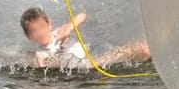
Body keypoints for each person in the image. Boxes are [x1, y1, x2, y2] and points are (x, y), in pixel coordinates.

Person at [20, 7, 151, 69]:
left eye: (42, 27)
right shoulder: (40, 54)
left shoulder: (59, 32)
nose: (40, 33)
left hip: (93, 57)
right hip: (88, 66)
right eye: (34, 31)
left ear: (49, 25)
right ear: (28, 36)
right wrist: (42, 65)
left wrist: (69, 28)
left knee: (143, 51)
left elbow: (82, 15)